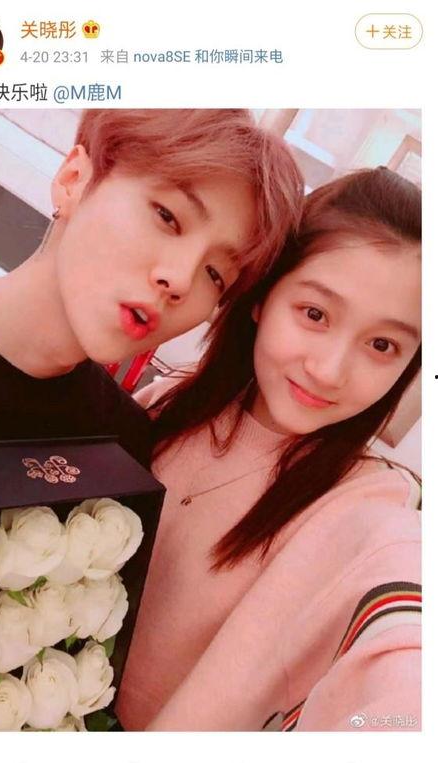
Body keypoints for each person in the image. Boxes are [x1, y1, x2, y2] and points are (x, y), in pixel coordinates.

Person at [116, 167, 422, 729]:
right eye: (315, 314)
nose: (329, 370)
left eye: (382, 344)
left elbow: (406, 664)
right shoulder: (168, 404)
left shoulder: (367, 505)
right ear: (263, 297)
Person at [0, 109, 303, 466]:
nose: (181, 280)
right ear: (74, 180)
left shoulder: (121, 452)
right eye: (167, 217)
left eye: (215, 275)